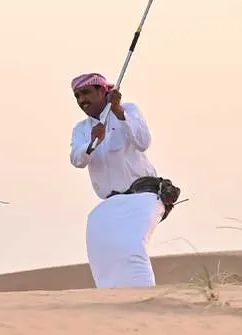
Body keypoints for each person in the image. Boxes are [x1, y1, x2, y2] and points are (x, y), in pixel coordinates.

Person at [69, 72, 181, 288]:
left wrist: (119, 112)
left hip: (144, 195)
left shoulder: (128, 110)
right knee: (101, 248)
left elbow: (143, 142)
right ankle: (113, 298)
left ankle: (143, 296)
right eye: (77, 96)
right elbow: (77, 159)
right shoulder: (81, 130)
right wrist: (93, 143)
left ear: (102, 91)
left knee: (130, 245)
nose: (82, 100)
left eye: (86, 93)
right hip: (111, 202)